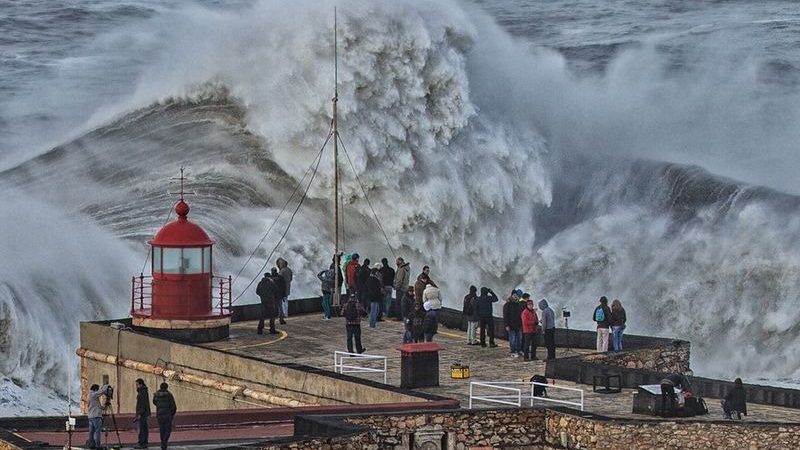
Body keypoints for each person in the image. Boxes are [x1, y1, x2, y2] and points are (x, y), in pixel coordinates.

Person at [152, 382, 177, 450]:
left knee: (162, 430)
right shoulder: (169, 395)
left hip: (159, 415)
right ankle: (164, 442)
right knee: (168, 430)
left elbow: (154, 402)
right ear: (166, 387)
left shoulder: (156, 395)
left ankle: (163, 443)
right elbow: (173, 406)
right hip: (167, 416)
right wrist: (172, 415)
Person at [86, 383, 110, 449]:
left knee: (91, 432)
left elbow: (96, 405)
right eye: (97, 389)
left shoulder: (89, 395)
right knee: (97, 432)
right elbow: (101, 392)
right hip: (96, 417)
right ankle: (97, 446)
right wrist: (106, 386)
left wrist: (104, 407)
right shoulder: (93, 394)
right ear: (95, 389)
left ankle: (92, 445)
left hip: (91, 417)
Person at [503, 290, 524, 358]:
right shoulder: (507, 305)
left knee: (519, 339)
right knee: (512, 339)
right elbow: (505, 315)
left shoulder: (519, 304)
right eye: (514, 295)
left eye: (517, 296)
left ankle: (519, 350)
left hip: (519, 325)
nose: (516, 297)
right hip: (511, 325)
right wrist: (506, 325)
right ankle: (513, 351)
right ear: (511, 295)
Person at [364, 264, 384, 328]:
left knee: (374, 310)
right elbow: (377, 289)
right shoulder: (375, 280)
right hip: (375, 297)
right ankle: (372, 324)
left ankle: (372, 323)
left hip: (372, 297)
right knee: (374, 311)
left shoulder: (369, 279)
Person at [134, 379, 151, 449]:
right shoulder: (143, 391)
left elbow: (143, 404)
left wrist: (140, 413)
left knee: (142, 428)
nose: (136, 386)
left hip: (142, 413)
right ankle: (143, 442)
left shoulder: (142, 392)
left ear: (140, 384)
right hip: (143, 412)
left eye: (137, 384)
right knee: (143, 428)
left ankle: (142, 443)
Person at [276, 258, 293, 324]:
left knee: (281, 302)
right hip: (288, 287)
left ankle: (282, 314)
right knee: (286, 300)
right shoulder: (289, 270)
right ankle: (286, 313)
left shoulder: (282, 271)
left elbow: (279, 279)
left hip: (281, 288)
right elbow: (291, 278)